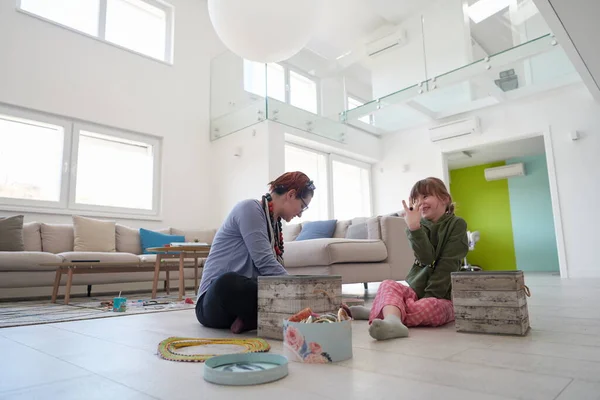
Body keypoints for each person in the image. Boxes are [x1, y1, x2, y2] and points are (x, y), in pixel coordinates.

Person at [195, 171, 315, 334]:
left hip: (243, 302)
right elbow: (265, 263)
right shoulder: (250, 208)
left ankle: (252, 319)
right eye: (302, 206)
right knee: (227, 282)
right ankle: (262, 316)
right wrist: (302, 292)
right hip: (213, 303)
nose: (300, 213)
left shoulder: (274, 224)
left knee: (277, 289)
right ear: (291, 194)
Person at [350, 177, 468, 340]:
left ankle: (383, 310)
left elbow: (448, 265)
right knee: (387, 284)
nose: (420, 203)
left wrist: (429, 297)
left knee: (429, 307)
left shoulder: (457, 224)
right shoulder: (418, 227)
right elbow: (426, 258)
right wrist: (414, 228)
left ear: (445, 199)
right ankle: (392, 321)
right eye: (416, 199)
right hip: (415, 292)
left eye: (425, 196)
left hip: (442, 297)